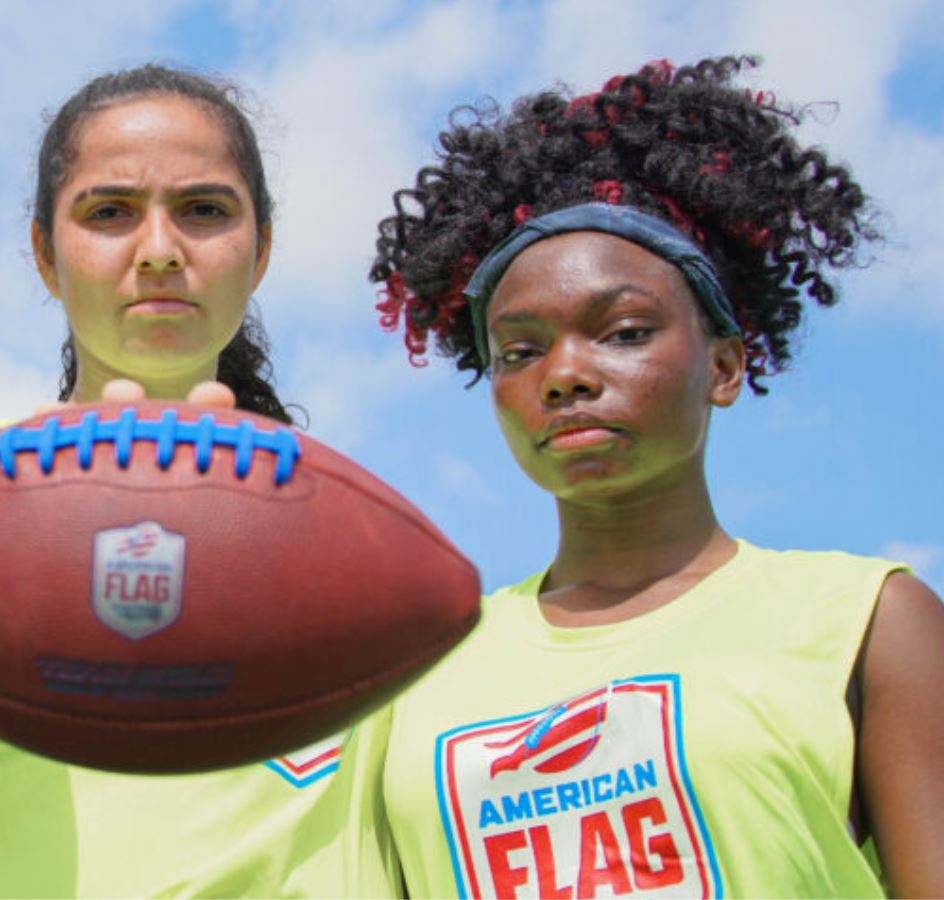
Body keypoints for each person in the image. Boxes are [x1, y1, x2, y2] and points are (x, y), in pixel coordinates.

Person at [366, 56, 944, 897]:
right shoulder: (419, 671)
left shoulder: (867, 621)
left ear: (724, 366)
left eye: (625, 332)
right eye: (519, 352)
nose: (565, 374)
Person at [0, 64, 400, 897]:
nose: (159, 252)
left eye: (204, 210)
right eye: (110, 212)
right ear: (46, 254)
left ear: (260, 251)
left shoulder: (355, 541)